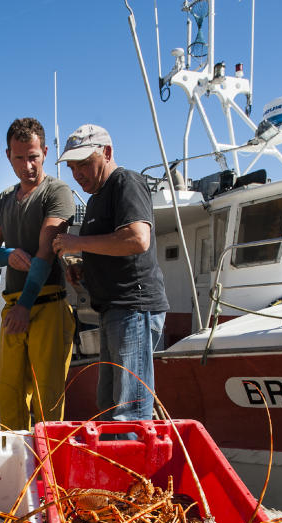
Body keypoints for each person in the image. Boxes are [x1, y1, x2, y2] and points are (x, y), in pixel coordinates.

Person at [52, 124, 168, 422]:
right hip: (113, 310)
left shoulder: (125, 182)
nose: (77, 174)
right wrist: (84, 266)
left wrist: (77, 243)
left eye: (84, 164)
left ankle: (130, 468)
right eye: (72, 167)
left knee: (129, 409)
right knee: (107, 403)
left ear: (107, 153)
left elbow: (137, 239)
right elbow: (113, 247)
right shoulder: (95, 199)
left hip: (133, 307)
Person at [0, 117, 76, 430]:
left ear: (45, 152)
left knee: (46, 401)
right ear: (8, 155)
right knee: (9, 398)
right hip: (13, 308)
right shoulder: (4, 199)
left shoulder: (57, 192)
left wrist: (25, 305)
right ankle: (17, 473)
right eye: (19, 157)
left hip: (47, 305)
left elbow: (45, 252)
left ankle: (48, 475)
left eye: (33, 156)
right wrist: (7, 255)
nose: (27, 166)